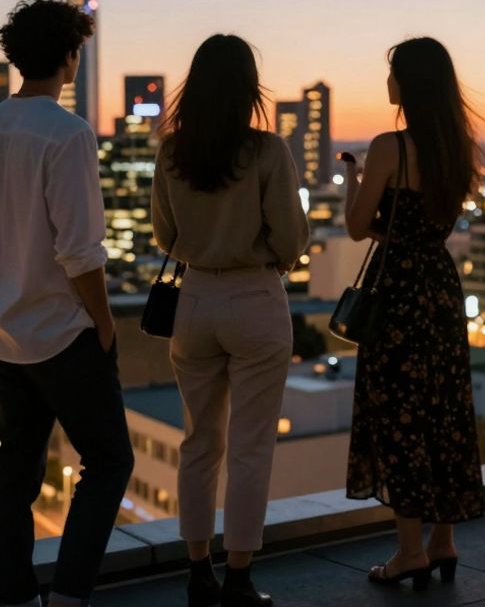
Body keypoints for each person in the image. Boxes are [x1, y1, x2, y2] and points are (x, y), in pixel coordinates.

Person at [0, 0, 133, 607]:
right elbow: (81, 252)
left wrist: (7, 286)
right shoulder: (67, 133)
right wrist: (105, 325)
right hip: (63, 333)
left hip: (4, 335)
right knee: (108, 462)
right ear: (68, 56)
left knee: (17, 473)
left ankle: (19, 596)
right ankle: (69, 595)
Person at [151, 35, 308, 607]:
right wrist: (271, 254)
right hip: (254, 297)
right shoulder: (267, 151)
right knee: (249, 446)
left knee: (199, 441)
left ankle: (197, 571)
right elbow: (291, 236)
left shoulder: (171, 151)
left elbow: (165, 236)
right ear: (248, 89)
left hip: (193, 301)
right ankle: (239, 576)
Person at [343, 37, 484, 591]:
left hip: (397, 290)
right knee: (443, 409)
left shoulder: (388, 147)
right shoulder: (457, 147)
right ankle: (442, 541)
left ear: (406, 83)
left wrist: (353, 181)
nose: (387, 82)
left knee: (397, 410)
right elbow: (426, 225)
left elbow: (358, 227)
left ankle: (408, 552)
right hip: (440, 286)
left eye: (392, 72)